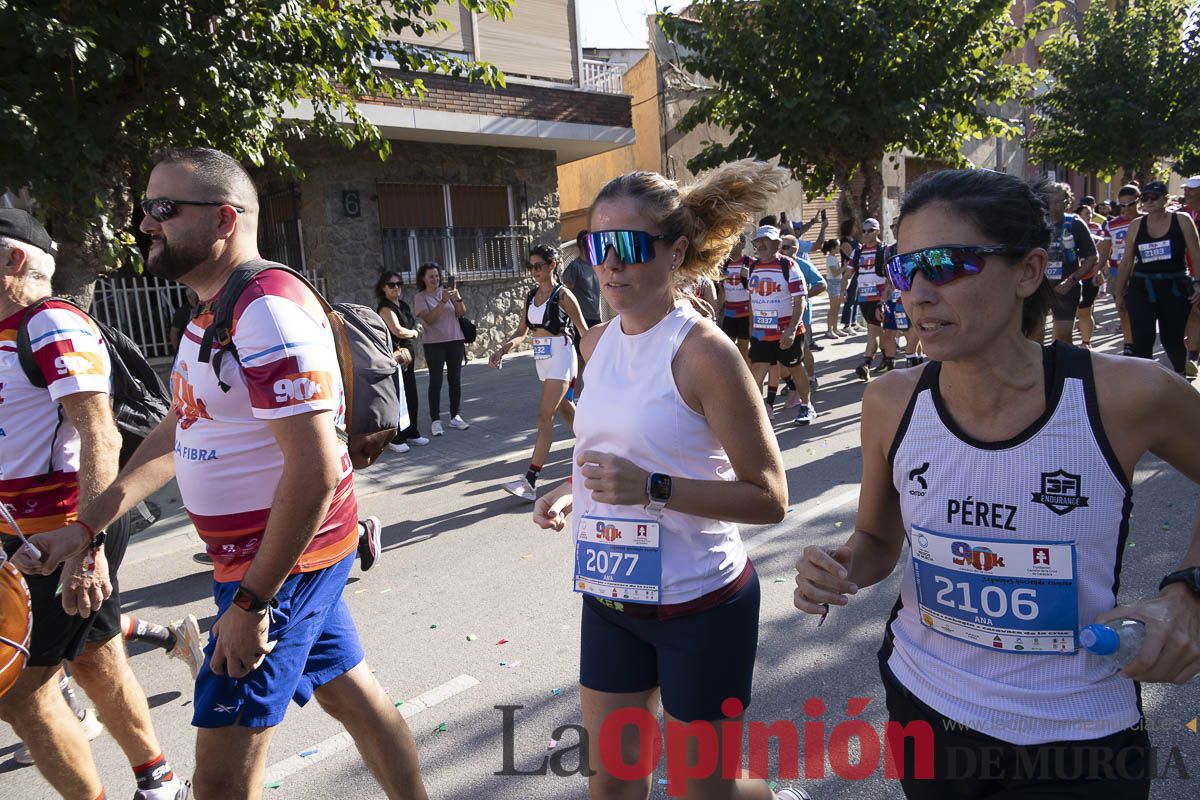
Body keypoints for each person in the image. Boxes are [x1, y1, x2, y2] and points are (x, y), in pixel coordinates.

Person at [16, 148, 430, 799]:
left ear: (224, 219)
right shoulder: (217, 307)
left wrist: (251, 602)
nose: (145, 224)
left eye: (163, 209)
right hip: (266, 563)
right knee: (351, 694)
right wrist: (86, 526)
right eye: (145, 208)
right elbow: (180, 427)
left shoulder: (266, 312)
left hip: (279, 567)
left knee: (217, 783)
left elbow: (317, 469)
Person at [794, 168, 1200, 799]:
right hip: (925, 702)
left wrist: (1188, 594)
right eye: (905, 268)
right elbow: (875, 539)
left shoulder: (1126, 394)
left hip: (1079, 731)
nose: (918, 293)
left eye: (946, 265)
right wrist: (839, 566)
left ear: (1028, 271)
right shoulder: (890, 401)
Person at [532, 160, 810, 800]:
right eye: (596, 246)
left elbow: (770, 497)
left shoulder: (704, 353)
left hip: (700, 606)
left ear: (676, 251)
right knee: (612, 786)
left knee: (702, 790)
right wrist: (572, 489)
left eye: (629, 246)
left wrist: (652, 488)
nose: (609, 265)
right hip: (611, 597)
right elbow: (614, 449)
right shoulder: (596, 343)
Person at [0, 208, 189, 799]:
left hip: (60, 531)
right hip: (24, 533)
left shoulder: (52, 323)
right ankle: (160, 784)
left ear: (13, 259)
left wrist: (87, 545)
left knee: (20, 694)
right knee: (94, 657)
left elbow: (100, 435)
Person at [490, 244, 589, 501]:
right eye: (530, 266)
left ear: (552, 265)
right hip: (542, 359)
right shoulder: (531, 295)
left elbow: (584, 331)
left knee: (544, 417)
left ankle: (530, 480)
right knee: (566, 409)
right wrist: (502, 351)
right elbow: (521, 332)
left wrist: (597, 365)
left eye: (538, 266)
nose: (534, 271)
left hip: (561, 355)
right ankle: (598, 447)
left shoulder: (564, 295)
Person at [1114, 180, 1200, 375]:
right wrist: (1119, 293)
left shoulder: (1182, 220)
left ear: (1166, 199)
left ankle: (1180, 376)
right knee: (1142, 339)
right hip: (1142, 287)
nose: (1149, 202)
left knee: (1172, 340)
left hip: (1174, 286)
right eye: (1145, 198)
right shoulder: (1136, 225)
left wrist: (1198, 283)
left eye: (1155, 197)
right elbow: (1126, 262)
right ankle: (1145, 383)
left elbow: (1196, 254)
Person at [748, 225, 816, 425]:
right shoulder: (753, 266)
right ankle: (759, 413)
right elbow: (753, 301)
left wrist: (792, 329)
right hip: (762, 333)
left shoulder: (789, 265)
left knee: (795, 369)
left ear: (776, 244)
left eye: (766, 241)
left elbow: (800, 300)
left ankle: (807, 406)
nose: (761, 245)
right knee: (756, 372)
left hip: (786, 332)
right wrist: (752, 330)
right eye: (758, 241)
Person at [1037, 181, 1098, 345]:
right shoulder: (1037, 224)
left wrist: (1071, 280)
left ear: (1067, 202)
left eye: (1058, 201)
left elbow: (1092, 257)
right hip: (1038, 287)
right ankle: (1040, 362)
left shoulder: (1075, 224)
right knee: (1034, 337)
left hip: (1066, 288)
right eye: (1049, 200)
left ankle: (1060, 361)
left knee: (1063, 338)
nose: (1053, 205)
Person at [375, 271, 429, 452]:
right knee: (398, 396)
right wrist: (414, 333)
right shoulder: (385, 308)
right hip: (395, 357)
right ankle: (396, 438)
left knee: (411, 394)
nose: (396, 287)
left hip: (407, 357)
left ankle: (411, 432)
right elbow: (398, 331)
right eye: (391, 285)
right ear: (383, 288)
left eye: (399, 284)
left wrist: (411, 332)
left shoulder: (403, 305)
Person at [414, 261, 469, 436]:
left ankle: (455, 416)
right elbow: (429, 319)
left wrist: (457, 298)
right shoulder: (420, 297)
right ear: (423, 279)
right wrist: (443, 301)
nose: (435, 279)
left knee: (455, 380)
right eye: (431, 276)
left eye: (437, 276)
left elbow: (461, 312)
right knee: (436, 382)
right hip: (434, 344)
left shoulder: (447, 291)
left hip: (455, 340)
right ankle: (435, 420)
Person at [779, 233, 827, 391]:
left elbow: (822, 284)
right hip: (783, 317)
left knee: (804, 349)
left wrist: (804, 297)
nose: (781, 250)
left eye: (785, 247)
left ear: (795, 249)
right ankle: (793, 382)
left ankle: (811, 378)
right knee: (784, 351)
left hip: (802, 316)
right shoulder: (777, 265)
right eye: (780, 247)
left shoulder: (803, 265)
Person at [1097, 185, 1141, 355]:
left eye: (1130, 204)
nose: (1126, 209)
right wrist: (1098, 270)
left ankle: (1140, 340)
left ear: (1139, 201)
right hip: (1117, 271)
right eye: (1122, 205)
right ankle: (1128, 343)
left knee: (1140, 310)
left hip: (1141, 271)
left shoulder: (1147, 220)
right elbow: (1105, 250)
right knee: (1122, 308)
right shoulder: (1111, 224)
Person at [850, 218, 894, 380]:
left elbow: (890, 278)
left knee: (873, 330)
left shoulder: (886, 250)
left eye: (870, 230)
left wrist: (883, 299)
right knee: (878, 331)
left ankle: (866, 364)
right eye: (864, 231)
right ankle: (888, 360)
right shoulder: (858, 252)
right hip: (863, 298)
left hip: (880, 297)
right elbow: (849, 273)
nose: (866, 234)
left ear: (878, 231)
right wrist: (843, 290)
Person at [563, 231, 603, 394]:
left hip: (595, 318)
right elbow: (565, 294)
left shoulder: (596, 265)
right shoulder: (574, 267)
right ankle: (574, 398)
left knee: (599, 359)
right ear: (581, 244)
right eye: (589, 241)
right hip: (581, 320)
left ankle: (597, 394)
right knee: (580, 362)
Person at [717, 232, 754, 362]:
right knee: (729, 348)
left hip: (746, 313)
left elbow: (758, 290)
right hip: (730, 313)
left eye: (735, 243)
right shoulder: (723, 265)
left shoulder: (751, 263)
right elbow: (722, 291)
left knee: (744, 348)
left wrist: (747, 277)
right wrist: (716, 311)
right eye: (729, 243)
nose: (731, 246)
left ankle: (748, 374)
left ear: (743, 244)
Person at [1180, 175, 1200, 377]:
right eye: (1186, 189)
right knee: (1192, 312)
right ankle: (1192, 355)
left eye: (1192, 189)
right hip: (1188, 272)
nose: (1187, 192)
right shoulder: (1182, 214)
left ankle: (1193, 354)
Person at [821, 239, 845, 338]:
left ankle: (835, 328)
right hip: (833, 283)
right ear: (832, 248)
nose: (840, 248)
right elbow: (835, 273)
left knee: (837, 308)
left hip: (838, 283)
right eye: (838, 246)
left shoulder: (834, 258)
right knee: (833, 308)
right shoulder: (830, 258)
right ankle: (829, 330)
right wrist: (844, 267)